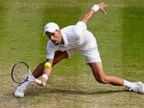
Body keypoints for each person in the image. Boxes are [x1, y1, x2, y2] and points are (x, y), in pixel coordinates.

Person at [14, 2, 144, 97]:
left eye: (54, 34)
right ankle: (24, 84)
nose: (52, 38)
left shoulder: (75, 32)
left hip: (88, 45)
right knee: (52, 61)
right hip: (69, 48)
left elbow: (86, 18)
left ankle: (134, 85)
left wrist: (97, 6)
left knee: (101, 78)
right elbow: (48, 63)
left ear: (59, 31)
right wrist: (45, 77)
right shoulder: (51, 44)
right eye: (49, 36)